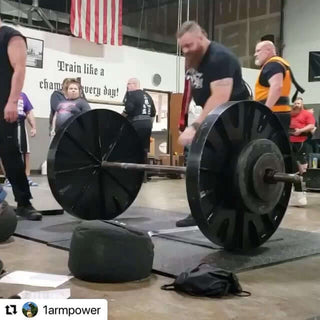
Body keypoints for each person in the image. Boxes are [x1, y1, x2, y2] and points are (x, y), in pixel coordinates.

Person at [175, 21, 250, 227]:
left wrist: (196, 127)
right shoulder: (193, 58)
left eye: (189, 45)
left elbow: (220, 97)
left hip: (235, 118)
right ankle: (200, 211)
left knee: (217, 164)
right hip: (213, 116)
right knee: (198, 163)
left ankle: (222, 212)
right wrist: (184, 119)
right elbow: (192, 88)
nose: (185, 50)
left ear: (201, 37)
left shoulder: (220, 58)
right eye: (183, 47)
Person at [0, 19, 41, 220]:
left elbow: (20, 69)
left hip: (3, 106)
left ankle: (24, 203)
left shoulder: (11, 36)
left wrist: (12, 101)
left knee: (10, 154)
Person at [254, 40, 304, 133]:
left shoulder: (272, 65)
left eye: (258, 51)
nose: (255, 54)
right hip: (279, 113)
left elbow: (277, 87)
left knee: (270, 145)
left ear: (268, 50)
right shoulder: (278, 64)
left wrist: (265, 111)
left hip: (274, 113)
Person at [4, 92, 38, 187]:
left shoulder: (22, 95)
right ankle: (9, 178)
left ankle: (26, 177)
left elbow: (29, 112)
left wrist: (33, 127)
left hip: (20, 124)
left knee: (25, 151)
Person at [122, 78, 155, 165]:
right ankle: (143, 173)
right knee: (144, 149)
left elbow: (128, 110)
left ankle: (132, 171)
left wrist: (118, 118)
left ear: (135, 85)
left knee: (132, 147)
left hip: (137, 124)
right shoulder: (148, 96)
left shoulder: (132, 95)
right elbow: (153, 113)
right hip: (148, 124)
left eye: (129, 84)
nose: (127, 86)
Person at [289, 97, 315, 207]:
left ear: (302, 104)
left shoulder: (307, 114)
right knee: (292, 167)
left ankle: (300, 195)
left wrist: (301, 130)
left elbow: (312, 126)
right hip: (289, 142)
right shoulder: (290, 114)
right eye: (295, 103)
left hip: (302, 143)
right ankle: (295, 194)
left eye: (299, 103)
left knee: (301, 169)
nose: (297, 104)